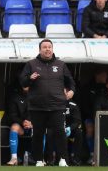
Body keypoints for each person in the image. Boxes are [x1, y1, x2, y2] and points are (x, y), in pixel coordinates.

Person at [20, 39, 75, 167]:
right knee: (38, 134)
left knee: (60, 133)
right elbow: (22, 82)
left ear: (52, 49)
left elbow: (71, 81)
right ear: (40, 50)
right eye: (44, 47)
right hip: (37, 107)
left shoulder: (61, 65)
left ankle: (63, 159)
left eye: (49, 47)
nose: (47, 49)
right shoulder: (31, 64)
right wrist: (29, 79)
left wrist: (72, 91)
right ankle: (39, 160)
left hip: (57, 106)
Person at [77, 67, 108, 165]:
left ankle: (105, 155)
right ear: (97, 75)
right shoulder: (87, 88)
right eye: (104, 74)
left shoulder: (106, 88)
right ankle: (91, 154)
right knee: (90, 130)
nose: (105, 77)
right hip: (90, 116)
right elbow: (84, 106)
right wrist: (94, 117)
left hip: (105, 117)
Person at [45, 96, 87, 166]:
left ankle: (76, 159)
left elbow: (77, 121)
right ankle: (50, 159)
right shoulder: (54, 104)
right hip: (57, 128)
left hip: (69, 130)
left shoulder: (73, 105)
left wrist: (70, 128)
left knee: (79, 132)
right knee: (49, 132)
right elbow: (49, 119)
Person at [1, 85, 32, 166]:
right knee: (14, 127)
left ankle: (41, 159)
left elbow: (41, 114)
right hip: (22, 126)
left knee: (42, 127)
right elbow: (12, 116)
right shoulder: (15, 97)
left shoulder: (38, 96)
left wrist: (32, 123)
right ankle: (14, 158)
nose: (27, 85)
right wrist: (23, 122)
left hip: (34, 125)